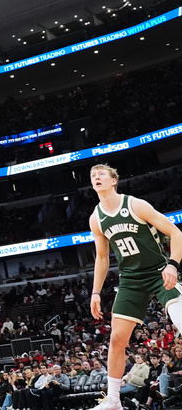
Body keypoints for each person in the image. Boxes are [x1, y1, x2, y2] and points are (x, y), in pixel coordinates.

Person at [89, 163, 182, 410]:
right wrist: (95, 292)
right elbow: (101, 258)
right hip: (130, 279)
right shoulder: (96, 218)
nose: (96, 177)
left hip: (158, 271)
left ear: (113, 181)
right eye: (92, 176)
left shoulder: (135, 205)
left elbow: (175, 233)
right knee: (117, 339)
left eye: (101, 175)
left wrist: (172, 264)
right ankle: (113, 400)